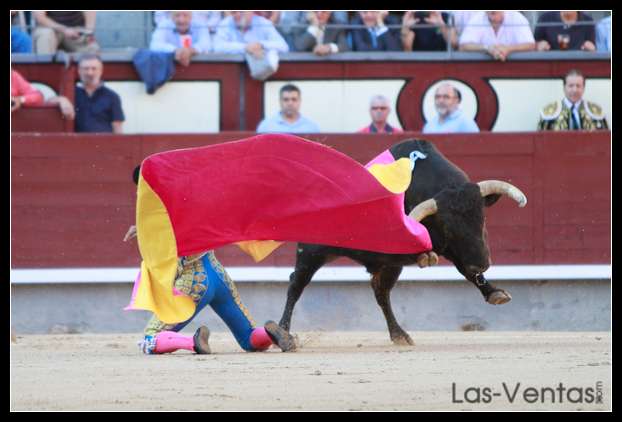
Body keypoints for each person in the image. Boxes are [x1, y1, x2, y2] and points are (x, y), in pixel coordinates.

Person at [123, 168, 297, 355]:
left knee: (151, 336)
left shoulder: (158, 211)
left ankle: (193, 341)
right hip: (218, 275)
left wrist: (144, 227)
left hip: (194, 283)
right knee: (248, 337)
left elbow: (168, 229)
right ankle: (270, 335)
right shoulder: (191, 200)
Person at [538, 69, 608, 131]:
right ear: (564, 87)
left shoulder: (596, 112)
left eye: (578, 86)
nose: (575, 90)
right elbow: (540, 141)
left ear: (583, 88)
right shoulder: (549, 112)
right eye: (571, 86)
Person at [74, 54, 125, 133]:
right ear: (79, 71)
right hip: (76, 144)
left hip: (104, 144)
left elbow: (117, 127)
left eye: (94, 69)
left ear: (101, 71)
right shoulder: (72, 94)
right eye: (86, 69)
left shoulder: (112, 96)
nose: (90, 73)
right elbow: (52, 100)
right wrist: (61, 100)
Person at [459, 11, 535, 61]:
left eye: (494, 13)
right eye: (490, 13)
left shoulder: (516, 17)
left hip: (515, 69)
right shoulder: (477, 18)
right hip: (483, 68)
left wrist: (508, 49)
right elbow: (463, 45)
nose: (492, 15)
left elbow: (530, 45)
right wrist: (487, 48)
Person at [212, 11, 289, 56]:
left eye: (242, 12)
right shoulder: (225, 23)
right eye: (234, 12)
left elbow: (283, 46)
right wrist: (245, 47)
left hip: (260, 71)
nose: (238, 14)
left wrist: (261, 45)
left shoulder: (263, 23)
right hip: (233, 71)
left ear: (251, 12)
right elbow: (217, 47)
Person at [32, 11, 100, 54]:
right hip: (50, 29)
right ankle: (46, 73)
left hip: (76, 30)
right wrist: (64, 29)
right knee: (44, 36)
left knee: (92, 49)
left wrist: (88, 32)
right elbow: (39, 17)